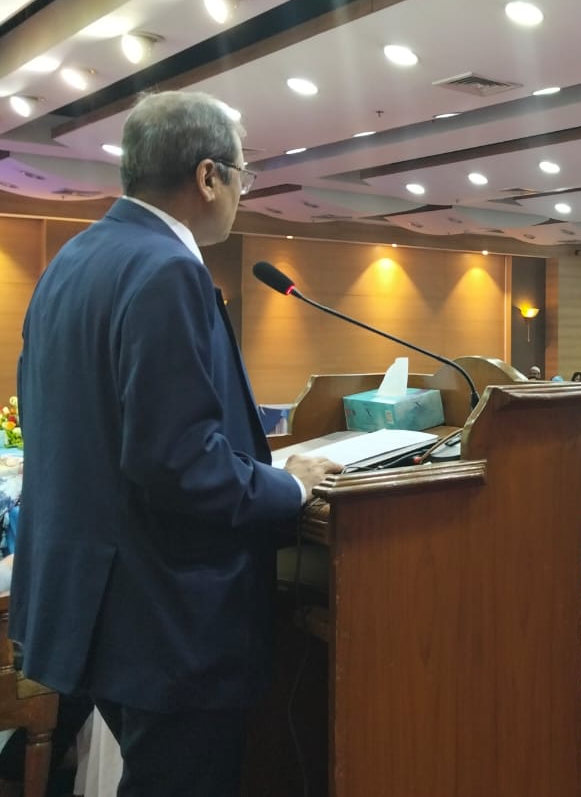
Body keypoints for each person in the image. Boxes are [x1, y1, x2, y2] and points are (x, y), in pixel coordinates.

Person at [13, 92, 343, 796]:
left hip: (91, 604)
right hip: (166, 617)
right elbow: (178, 461)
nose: (243, 192)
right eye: (243, 175)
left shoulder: (72, 260)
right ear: (207, 176)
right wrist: (291, 484)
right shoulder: (168, 269)